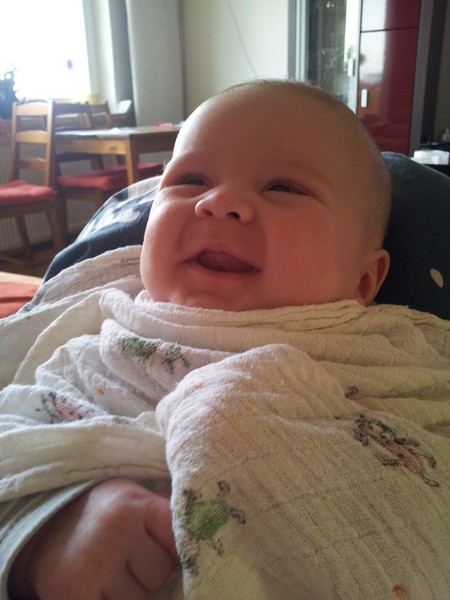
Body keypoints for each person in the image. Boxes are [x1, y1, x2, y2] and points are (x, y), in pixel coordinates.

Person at [1, 80, 449, 600]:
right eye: (190, 180)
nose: (219, 202)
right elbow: (18, 435)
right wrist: (47, 531)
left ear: (364, 281)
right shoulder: (100, 340)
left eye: (284, 188)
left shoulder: (396, 356)